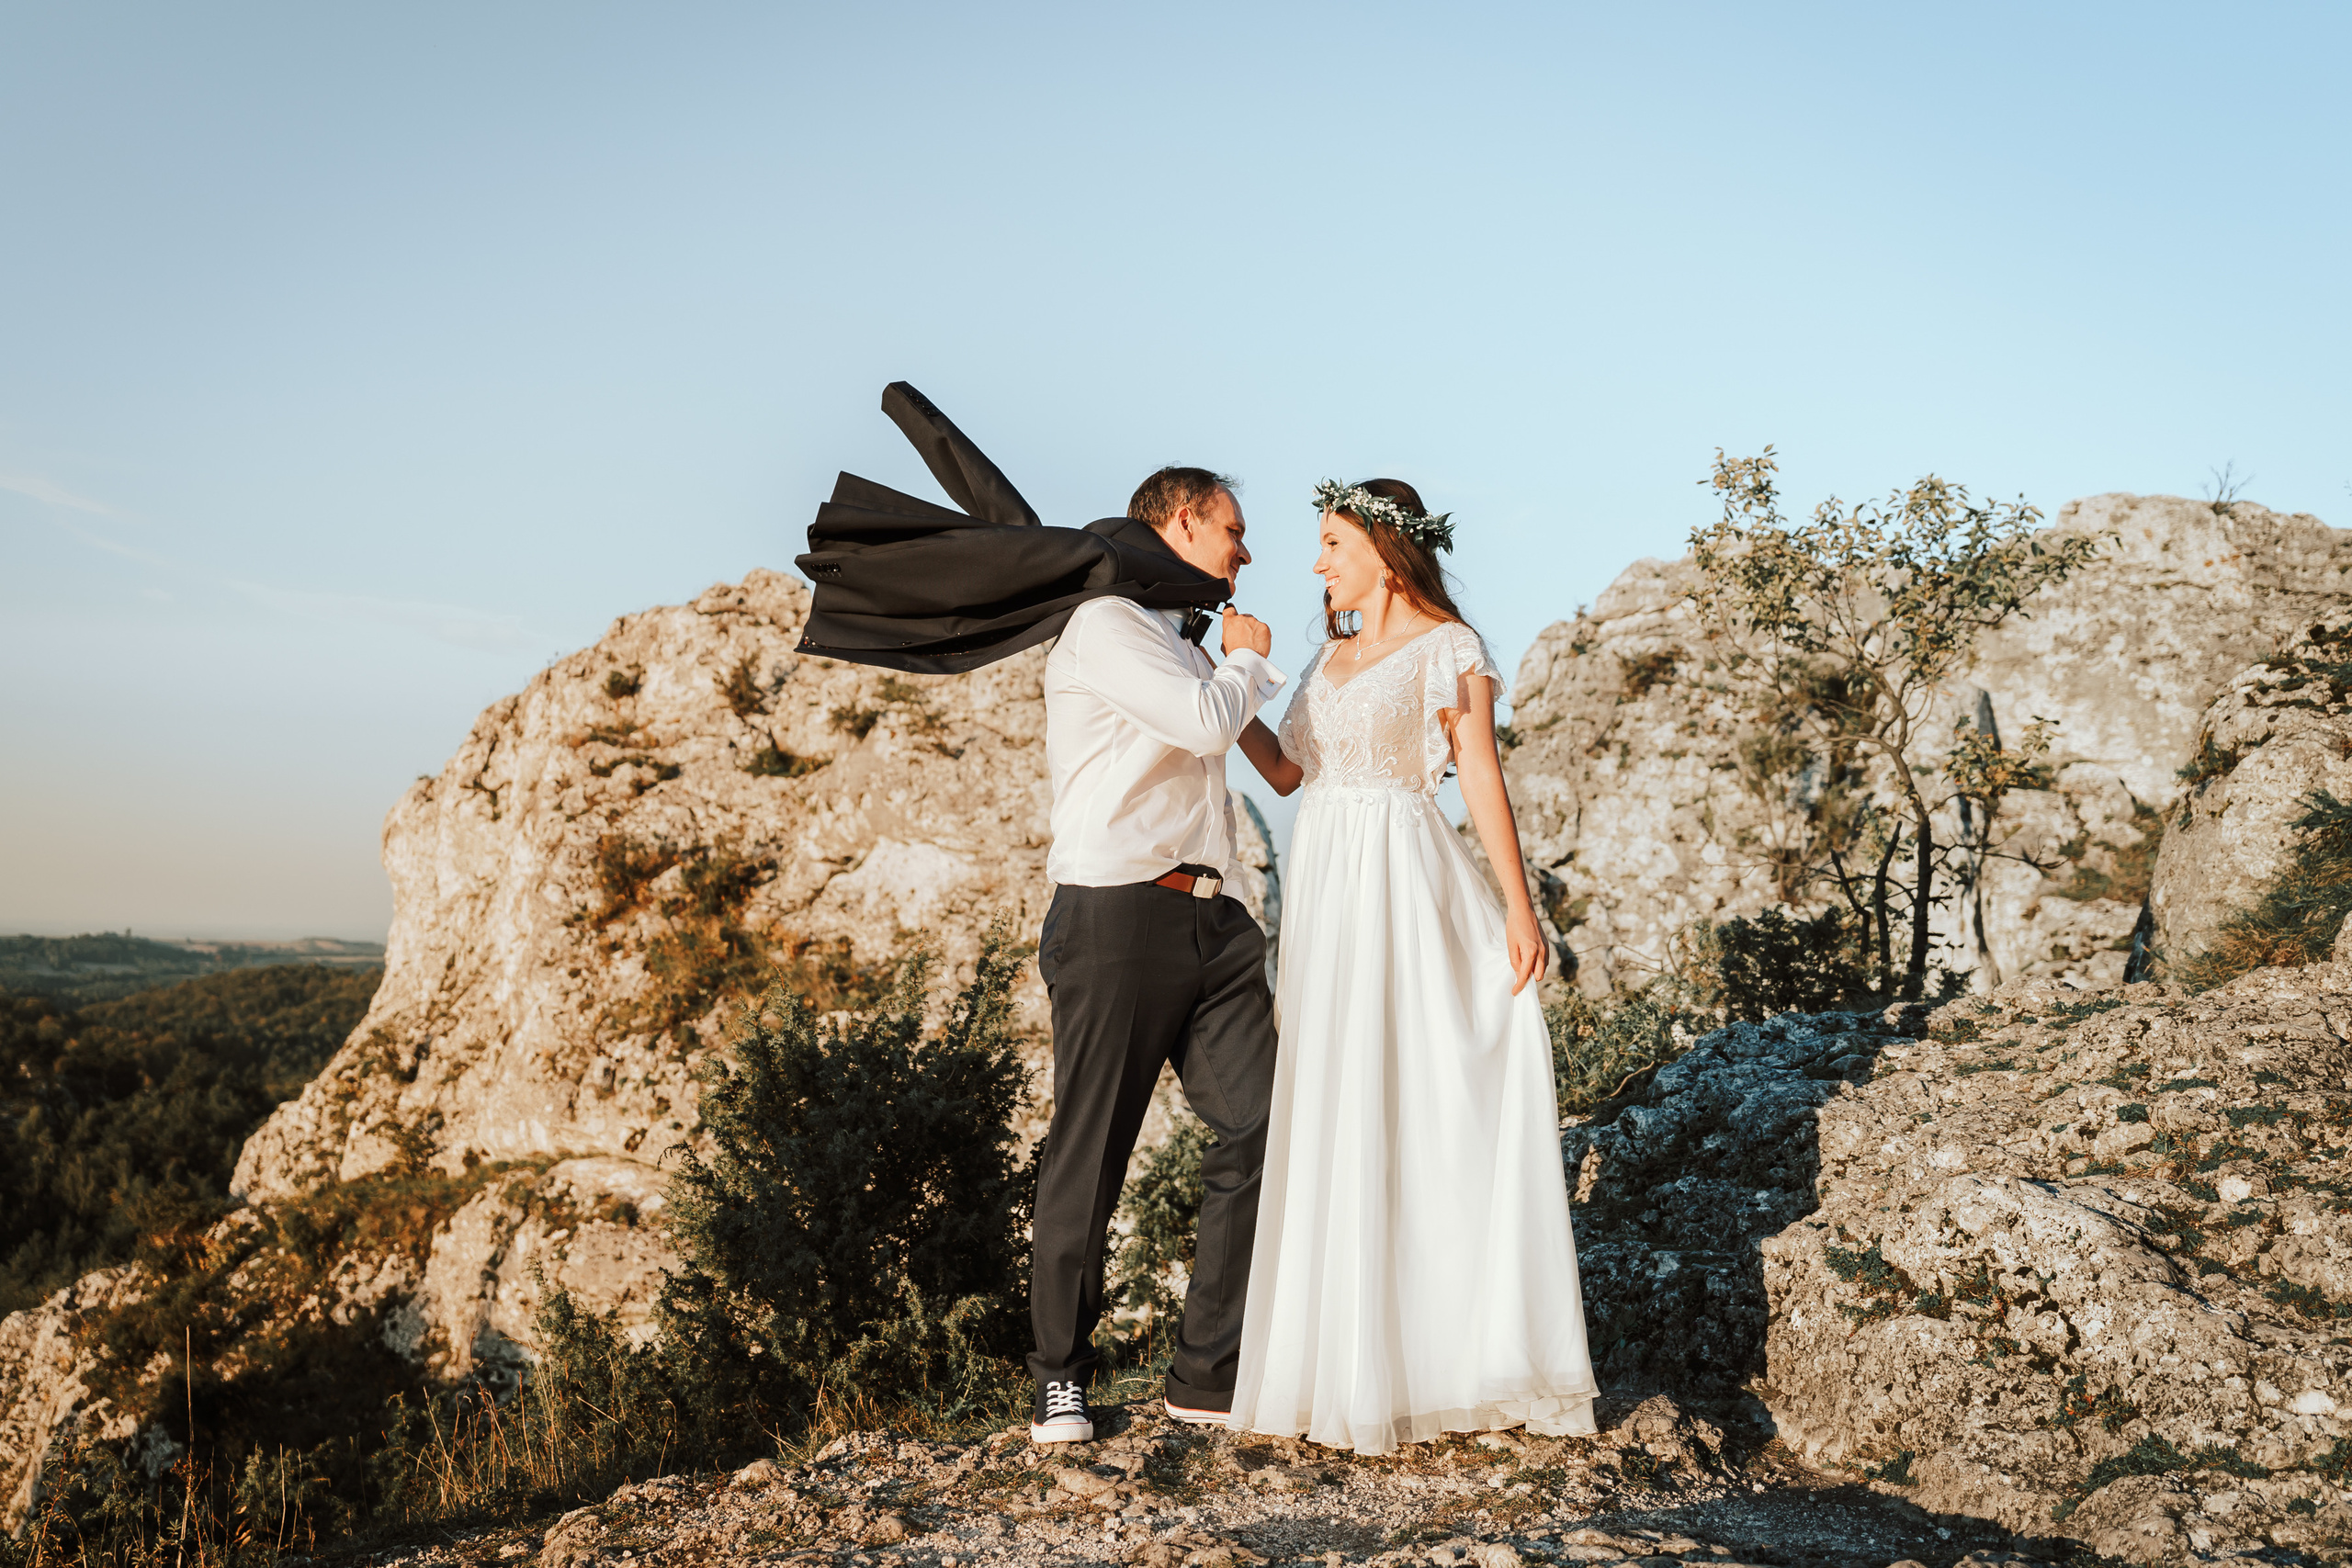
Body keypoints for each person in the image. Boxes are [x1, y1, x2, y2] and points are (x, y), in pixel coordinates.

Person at [1227, 479, 1599, 1454]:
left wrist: (1520, 911)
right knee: (1335, 1096)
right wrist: (1226, 686)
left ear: (1385, 551)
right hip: (1325, 883)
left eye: (1332, 543)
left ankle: (1449, 1354)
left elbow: (1478, 772)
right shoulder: (1329, 655)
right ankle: (1340, 1363)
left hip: (1400, 870)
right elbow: (1284, 773)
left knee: (1419, 1090)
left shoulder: (1452, 649)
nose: (1317, 562)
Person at [1024, 466, 1288, 1445]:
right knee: (1091, 1151)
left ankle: (1205, 1378)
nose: (1244, 551)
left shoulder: (1179, 638)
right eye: (1233, 528)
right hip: (1115, 920)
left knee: (1262, 1128)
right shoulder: (1104, 626)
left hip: (1214, 924)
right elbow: (1206, 723)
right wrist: (1249, 659)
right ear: (1180, 521)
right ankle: (1059, 1378)